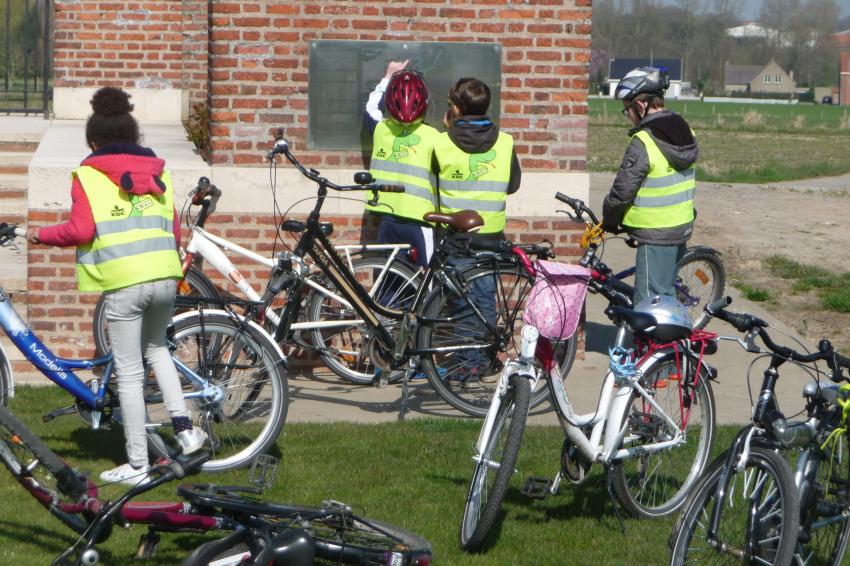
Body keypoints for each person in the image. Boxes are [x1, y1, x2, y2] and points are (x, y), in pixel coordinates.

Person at [26, 87, 206, 486]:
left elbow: (81, 229)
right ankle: (186, 432)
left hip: (125, 281)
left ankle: (138, 465)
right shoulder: (159, 171)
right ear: (134, 137)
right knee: (158, 350)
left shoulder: (88, 174)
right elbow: (174, 227)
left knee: (128, 371)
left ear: (93, 141)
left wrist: (41, 235)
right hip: (165, 275)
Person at [432, 77, 521, 385]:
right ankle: (481, 359)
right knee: (483, 296)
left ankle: (470, 364)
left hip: (458, 235)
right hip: (491, 233)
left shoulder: (441, 142)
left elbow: (433, 183)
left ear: (455, 108)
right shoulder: (505, 142)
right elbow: (513, 184)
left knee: (461, 298)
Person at [602, 66, 698, 307]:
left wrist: (609, 219)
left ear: (641, 104)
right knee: (665, 294)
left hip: (656, 233)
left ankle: (657, 344)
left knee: (648, 304)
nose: (628, 115)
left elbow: (623, 191)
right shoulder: (685, 130)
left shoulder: (643, 140)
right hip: (680, 225)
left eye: (627, 108)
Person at [363, 59, 440, 268]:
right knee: (425, 282)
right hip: (421, 220)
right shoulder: (435, 137)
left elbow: (371, 106)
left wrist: (388, 76)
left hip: (387, 219)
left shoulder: (381, 129)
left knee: (387, 283)